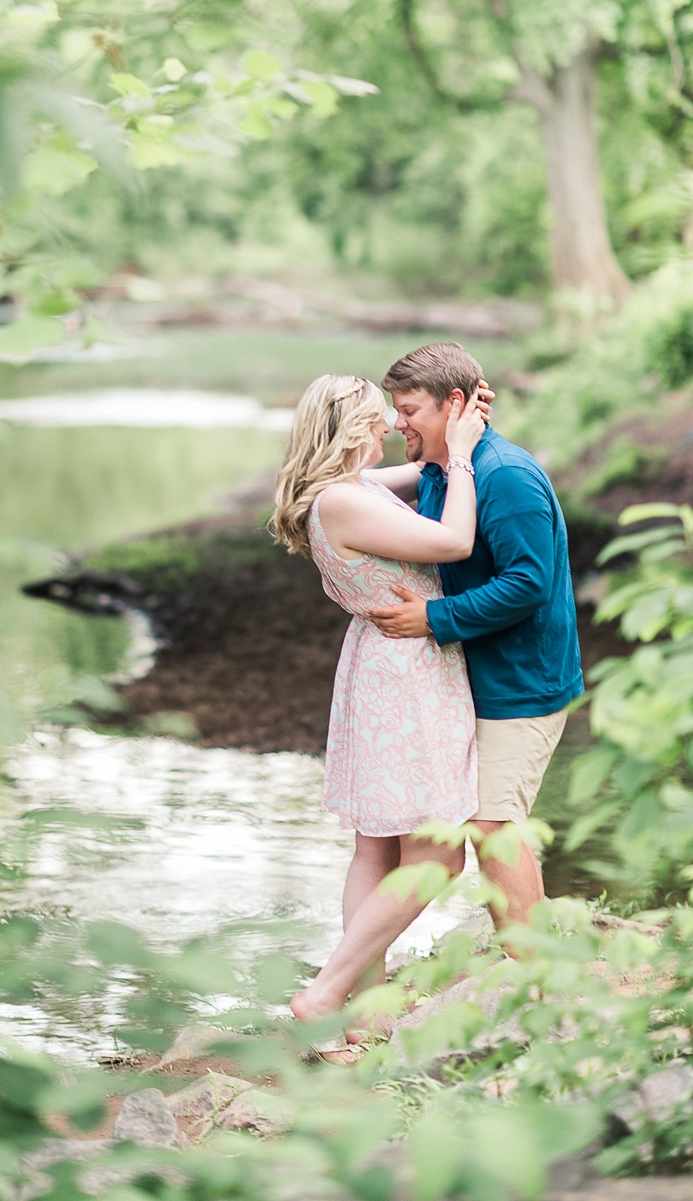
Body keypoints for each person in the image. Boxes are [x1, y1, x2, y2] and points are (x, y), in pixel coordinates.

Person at [271, 373, 487, 1062]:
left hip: (379, 664)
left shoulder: (344, 489)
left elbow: (413, 468)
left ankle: (366, 1017)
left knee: (376, 846)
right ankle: (327, 992)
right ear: (346, 429)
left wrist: (458, 429)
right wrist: (460, 462)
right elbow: (453, 541)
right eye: (376, 419)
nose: (388, 428)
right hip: (406, 675)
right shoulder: (343, 502)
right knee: (439, 853)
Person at [369, 341, 584, 937]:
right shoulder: (441, 469)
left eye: (409, 409)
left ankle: (537, 976)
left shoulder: (505, 476)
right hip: (478, 677)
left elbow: (529, 583)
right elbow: (353, 489)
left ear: (454, 404)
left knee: (492, 828)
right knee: (488, 825)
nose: (396, 422)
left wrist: (435, 620)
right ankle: (532, 966)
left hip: (524, 684)